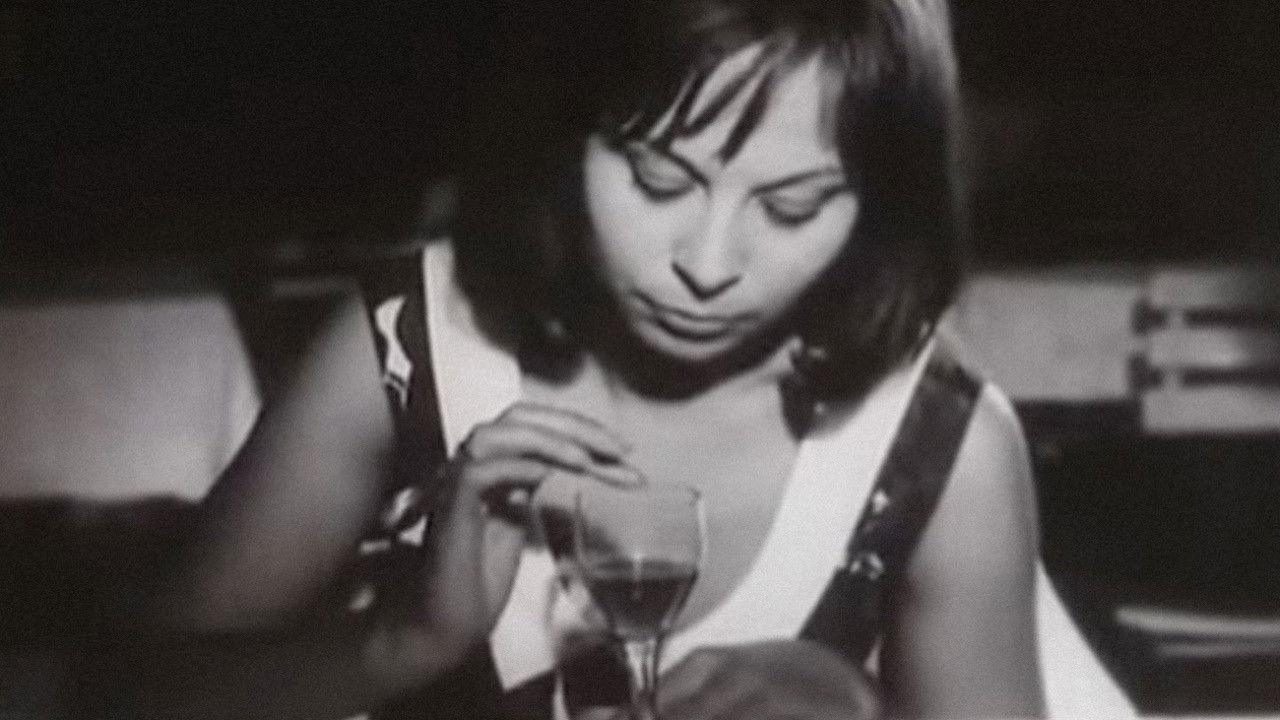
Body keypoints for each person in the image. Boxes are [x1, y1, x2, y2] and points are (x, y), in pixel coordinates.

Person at [117, 0, 1044, 718]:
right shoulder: (412, 342)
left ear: (882, 208)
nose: (707, 264)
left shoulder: (939, 442)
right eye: (659, 179)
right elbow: (116, 697)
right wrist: (401, 642)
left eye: (790, 206)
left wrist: (863, 709)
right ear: (564, 137)